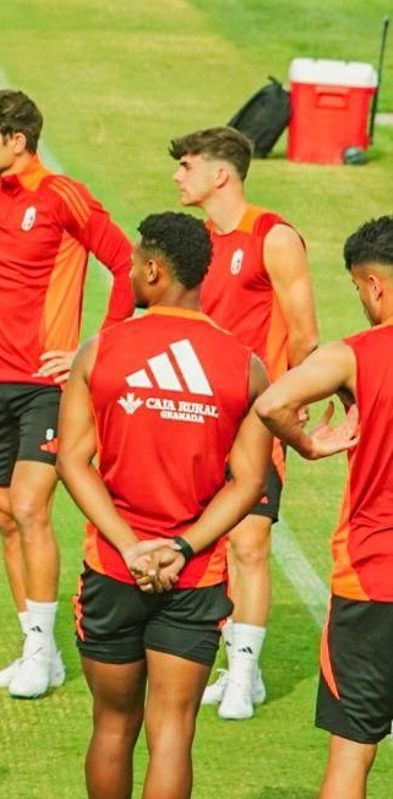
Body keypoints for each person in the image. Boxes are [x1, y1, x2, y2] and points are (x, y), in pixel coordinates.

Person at [56, 212, 271, 799]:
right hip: (196, 574)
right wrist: (181, 548)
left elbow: (73, 460)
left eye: (131, 264)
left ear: (154, 269)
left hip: (112, 568)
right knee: (172, 733)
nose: (127, 273)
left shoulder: (102, 350)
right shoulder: (244, 364)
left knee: (111, 725)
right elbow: (249, 482)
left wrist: (130, 547)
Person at [0, 89, 134, 698]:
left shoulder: (62, 196)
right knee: (5, 516)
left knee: (31, 506)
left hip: (45, 385)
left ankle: (39, 652)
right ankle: (40, 648)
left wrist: (99, 347)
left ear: (17, 141)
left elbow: (126, 264)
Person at [169, 126, 318, 719]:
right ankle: (238, 667)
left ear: (221, 174)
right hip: (200, 414)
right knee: (213, 541)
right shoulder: (197, 242)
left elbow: (304, 334)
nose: (178, 177)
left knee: (249, 542)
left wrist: (289, 401)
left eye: (187, 165)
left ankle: (244, 675)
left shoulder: (273, 237)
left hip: (256, 419)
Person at [250, 215, 393, 799]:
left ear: (373, 286)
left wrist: (307, 442)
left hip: (370, 577)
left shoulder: (355, 355)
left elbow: (273, 401)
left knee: (350, 755)